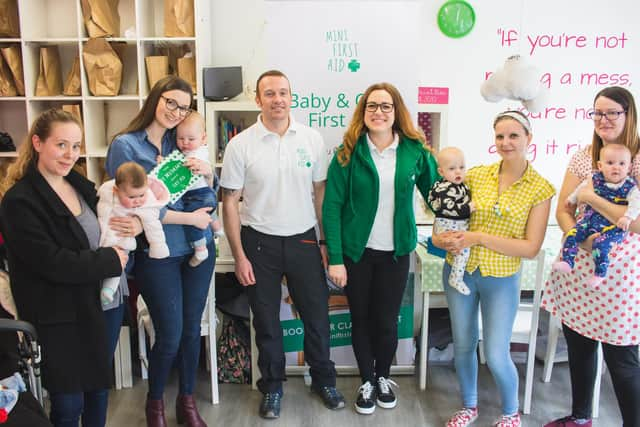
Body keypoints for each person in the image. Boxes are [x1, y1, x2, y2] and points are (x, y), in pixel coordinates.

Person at [220, 69, 345, 419]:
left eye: (283, 93)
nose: (277, 99)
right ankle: (272, 387)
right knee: (267, 322)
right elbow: (230, 202)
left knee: (318, 317)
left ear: (292, 97)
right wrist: (240, 256)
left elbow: (321, 193)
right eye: (270, 94)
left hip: (304, 239)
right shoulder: (240, 144)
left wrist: (323, 242)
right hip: (258, 244)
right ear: (258, 100)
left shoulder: (311, 139)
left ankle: (323, 379)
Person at [0, 109, 129, 427]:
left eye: (75, 146)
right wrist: (110, 261)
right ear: (38, 142)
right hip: (57, 315)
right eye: (61, 144)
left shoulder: (79, 184)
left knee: (98, 393)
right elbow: (51, 262)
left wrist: (129, 220)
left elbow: (102, 223)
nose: (69, 154)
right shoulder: (20, 201)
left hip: (95, 305)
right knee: (69, 403)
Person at [321, 82, 438, 415]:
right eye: (372, 106)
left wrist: (456, 218)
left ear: (396, 111)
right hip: (358, 254)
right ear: (363, 112)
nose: (378, 112)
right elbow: (332, 206)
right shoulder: (348, 152)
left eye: (386, 106)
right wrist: (337, 259)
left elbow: (437, 196)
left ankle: (384, 377)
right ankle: (367, 381)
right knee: (361, 318)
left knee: (386, 321)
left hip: (396, 253)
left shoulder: (415, 151)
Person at [432, 110, 555, 427]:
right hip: (460, 272)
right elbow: (447, 217)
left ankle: (511, 412)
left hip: (501, 279)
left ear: (529, 138)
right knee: (463, 345)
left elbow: (530, 247)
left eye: (513, 135)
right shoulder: (475, 176)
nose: (506, 142)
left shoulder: (540, 189)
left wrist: (479, 237)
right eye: (500, 136)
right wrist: (440, 238)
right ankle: (469, 406)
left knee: (498, 353)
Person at [106, 76, 215, 427]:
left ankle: (186, 401)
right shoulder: (126, 146)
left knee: (190, 330)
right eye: (171, 102)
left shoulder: (181, 140)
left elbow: (202, 187)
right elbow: (127, 202)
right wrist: (189, 218)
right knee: (168, 334)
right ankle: (154, 405)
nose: (176, 112)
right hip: (158, 254)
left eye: (183, 106)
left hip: (197, 249)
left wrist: (209, 173)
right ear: (156, 97)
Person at [542, 86, 640, 427]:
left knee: (622, 359)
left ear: (629, 115)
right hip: (579, 267)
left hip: (621, 275)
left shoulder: (637, 159)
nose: (604, 120)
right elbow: (563, 210)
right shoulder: (585, 156)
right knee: (579, 347)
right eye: (598, 113)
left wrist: (592, 199)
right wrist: (583, 242)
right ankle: (581, 417)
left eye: (612, 112)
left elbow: (638, 224)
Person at [552, 143, 640, 287]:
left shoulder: (630, 187)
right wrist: (571, 199)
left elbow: (637, 204)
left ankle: (600, 272)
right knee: (572, 234)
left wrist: (627, 217)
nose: (616, 167)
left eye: (622, 164)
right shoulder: (594, 179)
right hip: (590, 221)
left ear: (629, 167)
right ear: (600, 166)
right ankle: (567, 261)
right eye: (610, 163)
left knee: (601, 244)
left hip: (612, 227)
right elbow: (581, 189)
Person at [97, 162, 170, 305]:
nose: (137, 201)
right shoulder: (106, 191)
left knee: (120, 258)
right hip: (103, 234)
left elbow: (153, 226)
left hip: (122, 237)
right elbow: (100, 202)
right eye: (131, 197)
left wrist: (158, 246)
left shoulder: (147, 202)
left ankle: (109, 289)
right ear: (116, 191)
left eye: (141, 195)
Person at [175, 111, 223, 267]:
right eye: (181, 138)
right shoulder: (198, 149)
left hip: (196, 196)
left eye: (191, 139)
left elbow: (181, 166)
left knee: (193, 221)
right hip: (207, 193)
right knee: (210, 208)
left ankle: (200, 249)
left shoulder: (197, 153)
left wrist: (164, 162)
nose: (185, 143)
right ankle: (217, 228)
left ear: (203, 138)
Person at [427, 146, 474, 295]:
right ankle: (456, 278)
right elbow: (449, 207)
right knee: (462, 251)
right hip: (447, 223)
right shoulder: (444, 188)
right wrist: (468, 208)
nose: (458, 171)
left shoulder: (459, 185)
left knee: (459, 249)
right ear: (441, 172)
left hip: (454, 224)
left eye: (461, 167)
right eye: (452, 168)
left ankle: (457, 275)